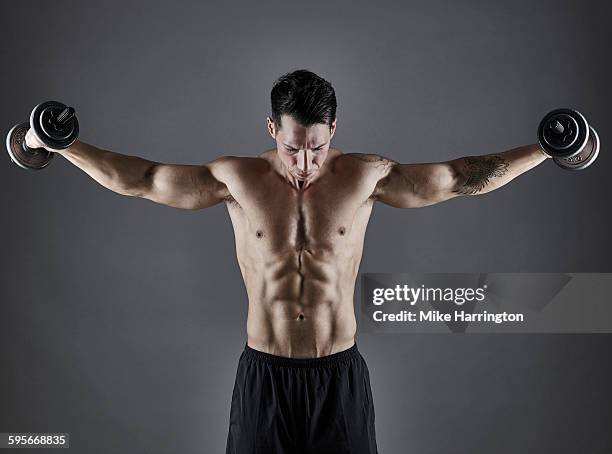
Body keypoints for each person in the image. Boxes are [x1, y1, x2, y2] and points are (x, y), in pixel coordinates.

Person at [25, 69, 549, 453]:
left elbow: (460, 178)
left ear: (334, 130)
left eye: (318, 147)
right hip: (265, 376)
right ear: (273, 129)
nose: (306, 163)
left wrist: (547, 149)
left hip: (338, 376)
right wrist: (63, 144)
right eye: (294, 147)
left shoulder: (366, 177)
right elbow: (142, 180)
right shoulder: (237, 179)